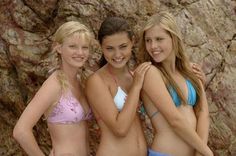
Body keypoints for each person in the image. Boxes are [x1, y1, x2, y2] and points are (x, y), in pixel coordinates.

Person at [13, 21, 94, 156]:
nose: (80, 52)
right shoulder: (54, 85)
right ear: (59, 48)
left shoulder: (81, 81)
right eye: (73, 46)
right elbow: (20, 131)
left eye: (84, 47)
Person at [138, 12, 213, 156]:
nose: (153, 46)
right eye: (148, 40)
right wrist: (207, 152)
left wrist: (200, 152)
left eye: (159, 39)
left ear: (173, 38)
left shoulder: (190, 71)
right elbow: (174, 120)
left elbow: (203, 112)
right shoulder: (151, 72)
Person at [85, 17, 151, 156]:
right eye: (110, 49)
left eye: (123, 47)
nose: (117, 55)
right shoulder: (96, 81)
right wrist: (136, 87)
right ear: (101, 47)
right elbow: (120, 129)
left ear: (132, 42)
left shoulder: (134, 76)